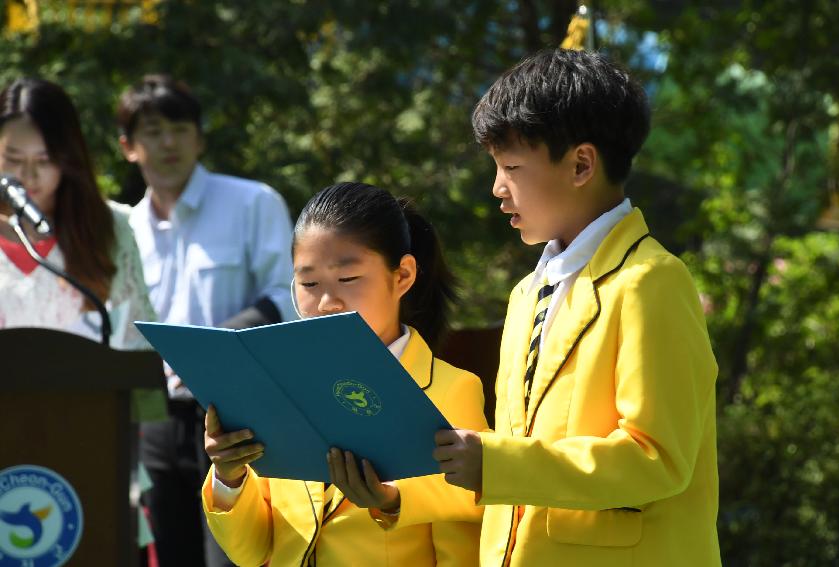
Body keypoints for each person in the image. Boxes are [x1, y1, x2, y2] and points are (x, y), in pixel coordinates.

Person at [433, 49, 721, 566]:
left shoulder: (652, 281)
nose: (497, 189)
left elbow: (656, 459)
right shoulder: (526, 294)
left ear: (582, 164)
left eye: (512, 167)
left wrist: (495, 463)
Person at [202, 182, 488, 566]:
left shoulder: (451, 390)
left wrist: (389, 502)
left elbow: (463, 534)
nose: (326, 302)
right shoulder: (280, 387)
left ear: (402, 275)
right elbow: (253, 551)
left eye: (348, 280)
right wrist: (229, 476)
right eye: (308, 283)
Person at [118, 74, 296, 566]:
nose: (168, 142)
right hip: (155, 419)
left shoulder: (252, 203)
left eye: (179, 127)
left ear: (199, 136)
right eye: (153, 130)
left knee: (234, 555)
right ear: (129, 147)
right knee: (171, 554)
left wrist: (212, 345)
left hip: (235, 414)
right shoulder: (124, 228)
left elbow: (287, 296)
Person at [0, 77, 156, 351]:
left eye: (44, 160)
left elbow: (140, 346)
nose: (28, 176)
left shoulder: (110, 228)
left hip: (89, 393)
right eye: (13, 159)